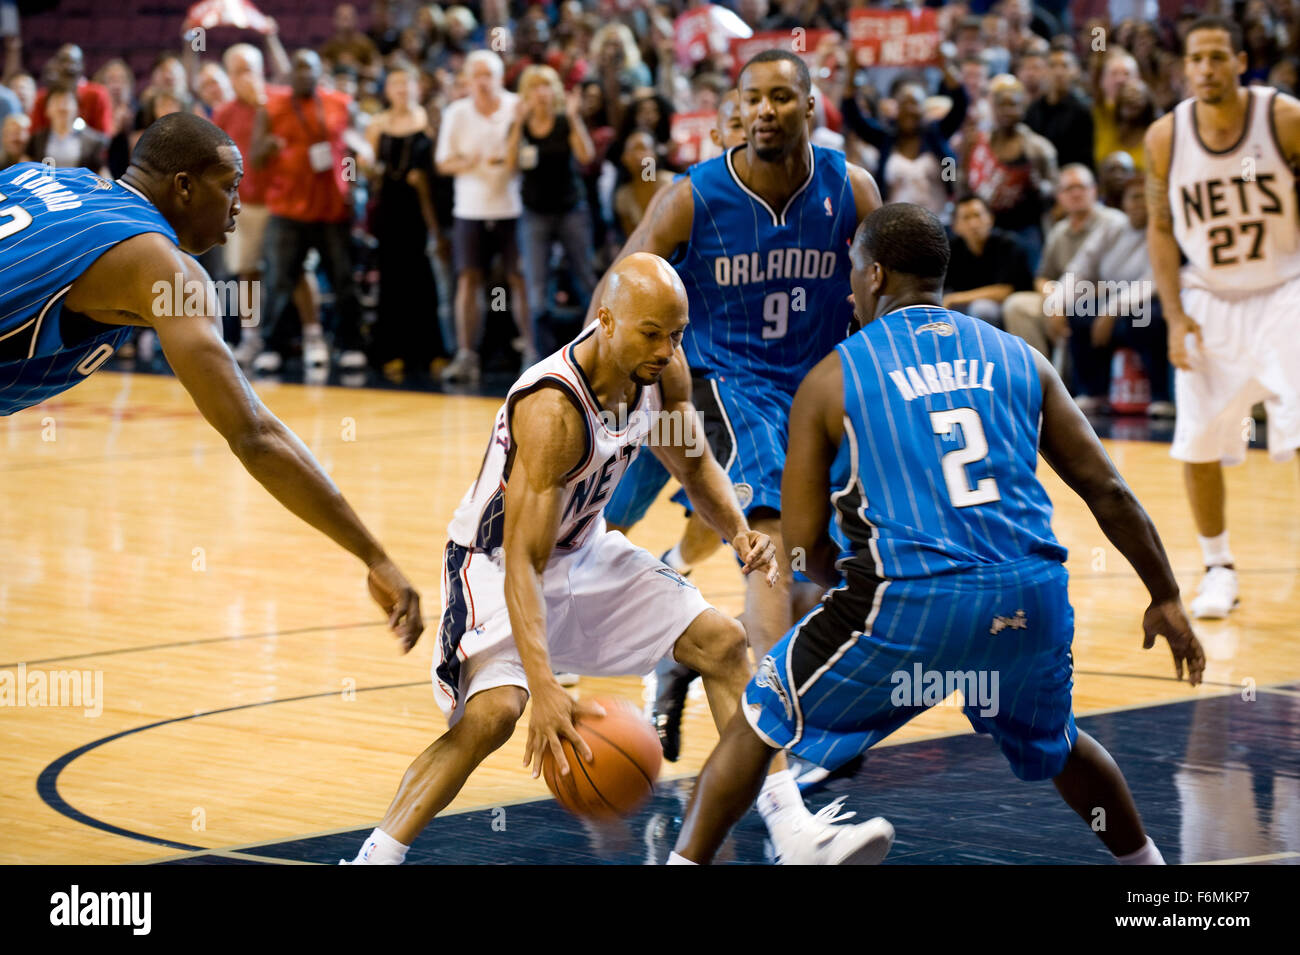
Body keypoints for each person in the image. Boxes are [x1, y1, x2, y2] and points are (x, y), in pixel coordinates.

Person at [668, 203, 1206, 866]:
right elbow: (1109, 490)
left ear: (875, 276)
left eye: (851, 272)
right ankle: (1154, 873)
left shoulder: (832, 377)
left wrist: (853, 588)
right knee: (1060, 741)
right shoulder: (1021, 356)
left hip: (908, 604)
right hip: (1029, 602)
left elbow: (802, 543)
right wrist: (1167, 594)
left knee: (757, 717)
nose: (846, 287)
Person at [347, 253, 889, 866]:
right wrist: (546, 686)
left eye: (676, 334)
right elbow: (525, 560)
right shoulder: (553, 409)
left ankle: (795, 834)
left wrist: (738, 532)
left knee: (723, 642)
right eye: (651, 333)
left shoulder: (663, 370)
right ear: (605, 320)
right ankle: (373, 860)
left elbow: (691, 461)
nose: (666, 348)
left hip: (586, 548)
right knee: (493, 716)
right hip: (496, 567)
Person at [0, 112, 421, 646]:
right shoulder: (162, 268)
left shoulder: (41, 176)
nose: (239, 205)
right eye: (230, 187)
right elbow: (254, 435)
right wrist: (374, 555)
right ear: (183, 186)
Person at [584, 51, 882, 770]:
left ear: (811, 108)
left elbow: (889, 284)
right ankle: (773, 730)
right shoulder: (692, 196)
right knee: (769, 545)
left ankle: (683, 654)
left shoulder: (852, 188)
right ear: (734, 111)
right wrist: (593, 385)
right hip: (721, 381)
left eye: (782, 96)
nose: (765, 110)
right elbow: (620, 284)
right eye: (752, 98)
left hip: (817, 388)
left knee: (826, 568)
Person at [1144, 16, 1300, 619]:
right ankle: (1218, 568)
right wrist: (1176, 317)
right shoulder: (1166, 136)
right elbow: (1161, 228)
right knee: (1199, 438)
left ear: (1240, 61)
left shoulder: (1282, 118)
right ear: (1185, 67)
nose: (1205, 69)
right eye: (1195, 59)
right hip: (1209, 296)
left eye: (1217, 57)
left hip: (1285, 288)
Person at [436, 49, 534, 383]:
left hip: (512, 206)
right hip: (470, 208)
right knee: (468, 279)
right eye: (476, 74)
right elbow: (443, 163)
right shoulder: (456, 112)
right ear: (466, 78)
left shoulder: (515, 105)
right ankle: (466, 355)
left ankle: (532, 353)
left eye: (488, 74)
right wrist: (471, 161)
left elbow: (528, 153)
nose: (482, 81)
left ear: (499, 76)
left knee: (520, 279)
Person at [1002, 164, 1126, 357]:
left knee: (1078, 309)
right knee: (1017, 305)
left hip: (1101, 299)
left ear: (1094, 190)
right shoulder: (1059, 231)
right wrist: (1053, 301)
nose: (1076, 193)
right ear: (1059, 196)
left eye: (1081, 187)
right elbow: (1042, 277)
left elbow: (1121, 280)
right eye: (1069, 189)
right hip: (1061, 298)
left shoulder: (1114, 223)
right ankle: (1040, 375)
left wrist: (1062, 301)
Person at [944, 193, 1034, 327]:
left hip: (1009, 305)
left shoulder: (1008, 244)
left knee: (982, 309)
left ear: (990, 219)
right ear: (955, 227)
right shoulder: (951, 250)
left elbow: (1004, 290)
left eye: (977, 215)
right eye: (966, 218)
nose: (973, 224)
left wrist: (955, 298)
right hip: (967, 307)